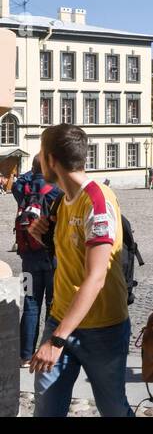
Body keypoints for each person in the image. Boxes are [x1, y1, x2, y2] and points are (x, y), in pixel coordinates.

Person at [28, 124, 133, 418]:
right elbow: (70, 258)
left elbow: (96, 277)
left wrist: (56, 339)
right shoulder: (62, 201)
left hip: (103, 327)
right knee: (47, 408)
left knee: (112, 408)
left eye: (40, 152)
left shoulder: (96, 200)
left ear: (50, 159)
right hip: (61, 316)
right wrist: (45, 238)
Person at [12, 156, 59, 367]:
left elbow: (18, 181)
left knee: (30, 304)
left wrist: (33, 172)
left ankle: (24, 354)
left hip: (27, 258)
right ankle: (44, 351)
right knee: (52, 304)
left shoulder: (23, 189)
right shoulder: (56, 191)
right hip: (51, 257)